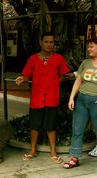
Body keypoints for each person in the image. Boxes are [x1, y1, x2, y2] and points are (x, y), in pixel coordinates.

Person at [15, 32, 70, 164]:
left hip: (52, 97)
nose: (49, 44)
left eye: (51, 42)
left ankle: (53, 151)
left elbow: (64, 74)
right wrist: (22, 78)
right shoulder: (33, 59)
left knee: (51, 126)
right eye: (46, 42)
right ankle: (32, 150)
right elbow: (26, 74)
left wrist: (56, 82)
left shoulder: (58, 58)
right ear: (41, 43)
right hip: (37, 97)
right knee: (34, 125)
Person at [63, 37, 97, 169]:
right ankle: (74, 157)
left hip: (95, 101)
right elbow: (78, 81)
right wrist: (72, 98)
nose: (89, 49)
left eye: (92, 46)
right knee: (77, 129)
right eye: (88, 46)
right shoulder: (85, 63)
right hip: (82, 100)